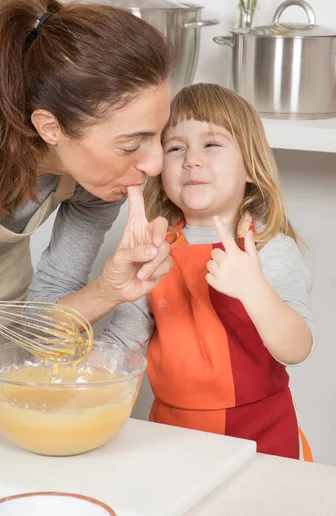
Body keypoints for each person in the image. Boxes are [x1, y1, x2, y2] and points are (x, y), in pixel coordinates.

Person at [0, 0, 173, 384]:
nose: (155, 164)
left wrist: (110, 290)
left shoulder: (99, 182)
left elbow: (40, 326)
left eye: (159, 135)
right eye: (131, 145)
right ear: (50, 128)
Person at [98, 83, 314, 460]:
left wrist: (254, 289)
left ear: (250, 165)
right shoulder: (155, 248)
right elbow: (121, 345)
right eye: (175, 148)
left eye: (211, 145)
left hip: (260, 436)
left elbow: (296, 348)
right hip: (171, 434)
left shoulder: (270, 248)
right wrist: (67, 375)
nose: (191, 160)